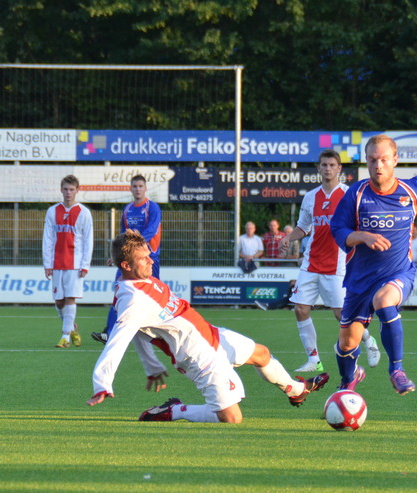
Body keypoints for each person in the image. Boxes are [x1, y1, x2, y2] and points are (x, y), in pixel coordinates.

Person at [87, 230, 330, 423]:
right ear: (126, 266)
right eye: (143, 259)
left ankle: (297, 390)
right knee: (232, 418)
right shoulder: (133, 300)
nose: (151, 261)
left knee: (262, 354)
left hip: (210, 334)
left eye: (149, 254)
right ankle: (175, 410)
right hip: (198, 357)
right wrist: (102, 383)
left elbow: (140, 332)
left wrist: (152, 366)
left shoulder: (141, 278)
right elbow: (118, 341)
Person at [330, 134, 417, 395]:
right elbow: (338, 230)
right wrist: (364, 237)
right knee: (347, 344)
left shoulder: (413, 189)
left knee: (384, 301)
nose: (378, 165)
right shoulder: (356, 194)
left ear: (395, 160)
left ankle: (397, 370)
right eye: (372, 160)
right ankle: (349, 380)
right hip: (360, 280)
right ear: (366, 162)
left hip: (398, 272)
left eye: (384, 159)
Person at [278, 148, 381, 373]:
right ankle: (314, 360)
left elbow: (361, 226)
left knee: (341, 315)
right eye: (324, 165)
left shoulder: (349, 194)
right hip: (311, 262)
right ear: (318, 168)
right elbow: (303, 227)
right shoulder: (310, 197)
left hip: (338, 265)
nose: (328, 169)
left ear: (339, 169)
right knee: (301, 309)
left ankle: (369, 341)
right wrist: (289, 237)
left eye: (332, 165)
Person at [91, 174, 161, 345]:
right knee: (119, 291)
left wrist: (134, 247)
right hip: (129, 258)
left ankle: (158, 330)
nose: (137, 189)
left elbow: (151, 230)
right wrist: (116, 255)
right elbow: (123, 236)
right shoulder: (128, 209)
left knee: (153, 295)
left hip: (149, 257)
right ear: (131, 188)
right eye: (135, 186)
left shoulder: (152, 207)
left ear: (145, 189)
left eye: (140, 186)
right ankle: (109, 332)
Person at [42, 174, 94, 348]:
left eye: (72, 189)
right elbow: (48, 239)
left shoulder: (84, 213)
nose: (68, 192)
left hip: (75, 264)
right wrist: (47, 264)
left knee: (70, 298)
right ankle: (72, 328)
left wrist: (85, 265)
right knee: (59, 302)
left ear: (77, 191)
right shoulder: (52, 211)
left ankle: (65, 337)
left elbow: (88, 241)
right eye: (65, 189)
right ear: (61, 190)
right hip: (57, 263)